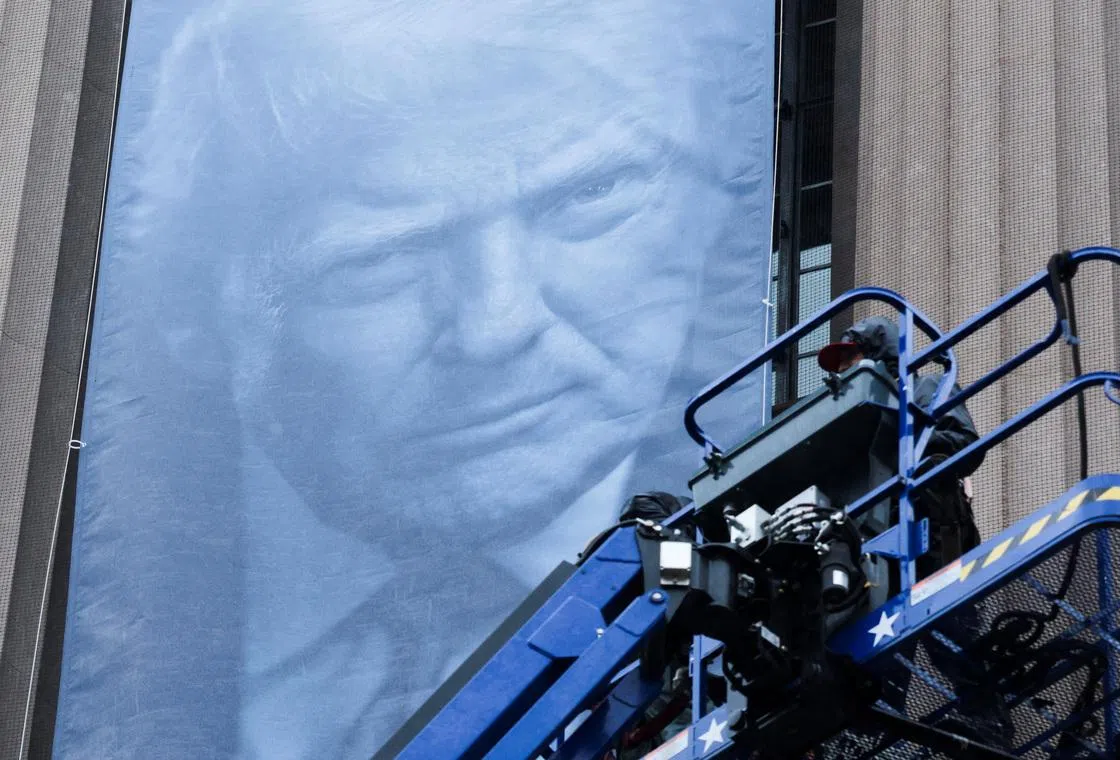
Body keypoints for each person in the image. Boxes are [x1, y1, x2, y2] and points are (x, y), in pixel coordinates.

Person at [58, 2, 775, 758]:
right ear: (196, 320)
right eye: (378, 259)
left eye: (588, 197)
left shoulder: (716, 563)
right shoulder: (121, 624)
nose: (496, 326)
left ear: (711, 206)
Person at [819, 316, 1013, 749]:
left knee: (955, 636)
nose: (844, 371)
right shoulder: (846, 416)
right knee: (883, 654)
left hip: (930, 530)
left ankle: (992, 728)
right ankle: (878, 745)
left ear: (879, 355)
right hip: (878, 549)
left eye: (851, 358)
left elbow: (965, 444)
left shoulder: (921, 389)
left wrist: (909, 438)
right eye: (840, 365)